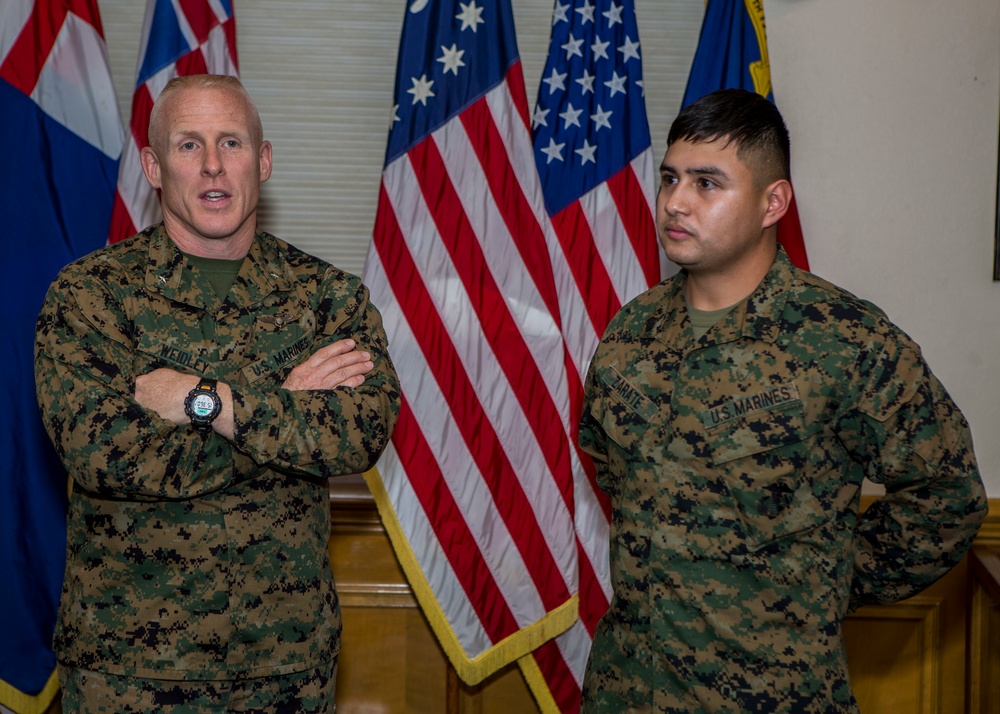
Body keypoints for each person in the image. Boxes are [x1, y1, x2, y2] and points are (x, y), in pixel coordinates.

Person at [578, 88, 987, 712]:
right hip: (627, 690)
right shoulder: (630, 334)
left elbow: (948, 496)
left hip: (774, 695)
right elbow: (611, 468)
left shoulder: (846, 339)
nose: (676, 202)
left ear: (774, 202)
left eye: (707, 183)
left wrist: (826, 580)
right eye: (670, 179)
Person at [34, 74, 400, 713]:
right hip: (127, 673)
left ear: (262, 161)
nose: (212, 165)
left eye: (231, 143)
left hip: (285, 668)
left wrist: (206, 402)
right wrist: (282, 407)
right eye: (187, 145)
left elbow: (357, 432)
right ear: (152, 166)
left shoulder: (327, 298)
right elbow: (103, 452)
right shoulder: (90, 297)